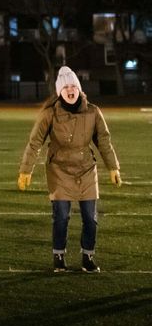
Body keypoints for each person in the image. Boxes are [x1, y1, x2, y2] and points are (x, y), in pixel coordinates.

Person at [18, 66, 121, 273]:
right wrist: (25, 170)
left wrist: (113, 167)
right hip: (59, 169)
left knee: (90, 219)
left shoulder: (93, 112)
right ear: (59, 92)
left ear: (80, 88)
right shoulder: (50, 114)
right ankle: (59, 256)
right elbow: (34, 142)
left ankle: (88, 257)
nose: (70, 89)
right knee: (62, 216)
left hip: (86, 169)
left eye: (74, 85)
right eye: (66, 87)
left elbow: (104, 141)